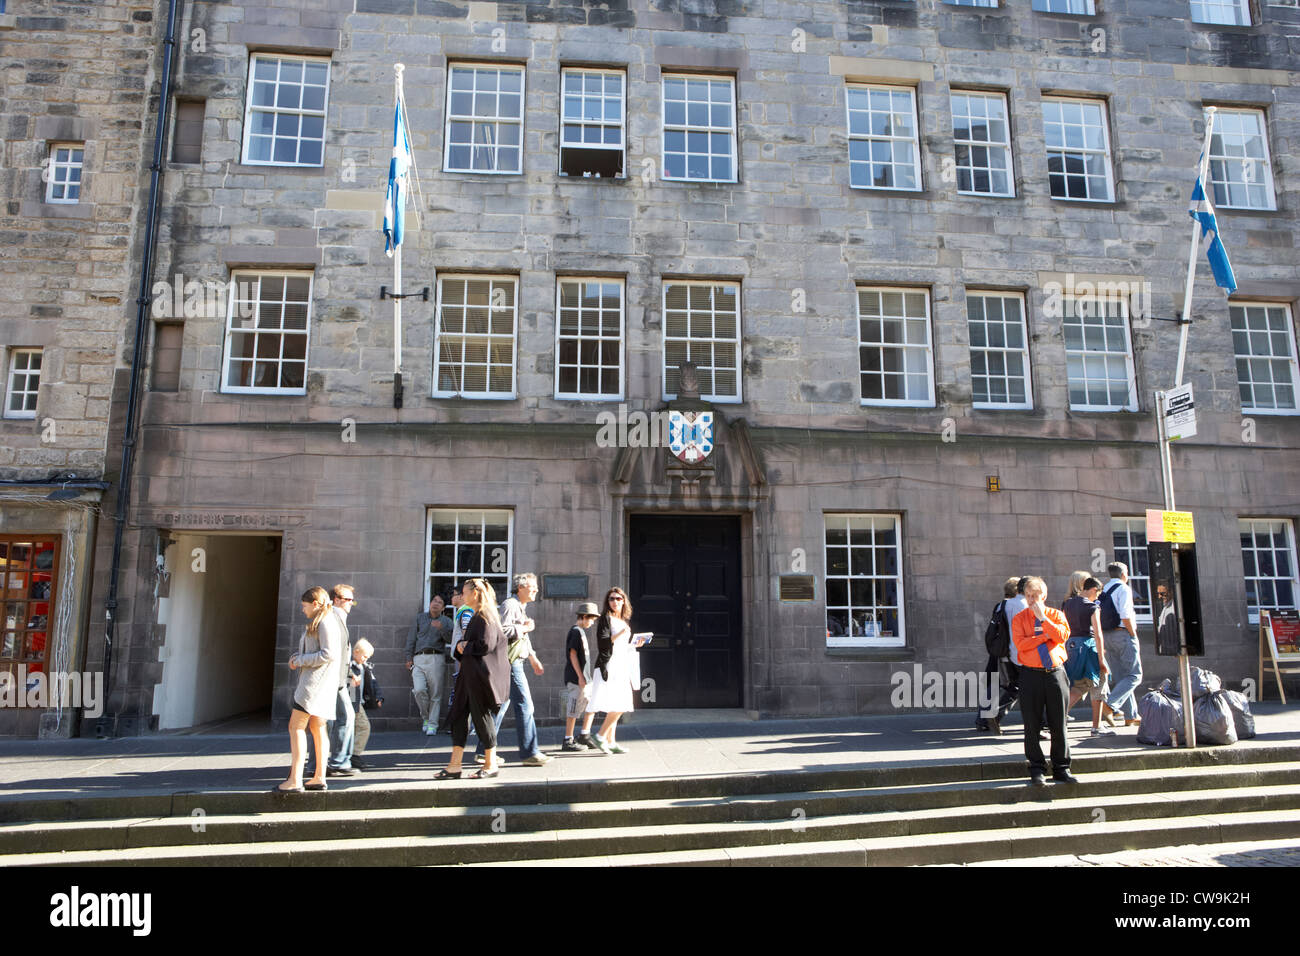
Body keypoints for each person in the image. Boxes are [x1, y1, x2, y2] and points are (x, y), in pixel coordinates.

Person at [437, 578, 510, 780]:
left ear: (475, 593)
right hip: (468, 676)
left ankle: (490, 763)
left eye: (464, 592)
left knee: (482, 718)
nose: (461, 595)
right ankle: (454, 765)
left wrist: (463, 646)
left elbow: (485, 645)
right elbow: (471, 644)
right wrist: (462, 646)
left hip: (480, 678)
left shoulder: (485, 617)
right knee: (458, 718)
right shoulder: (478, 616)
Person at [477, 573, 551, 767]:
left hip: (513, 661)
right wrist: (525, 628)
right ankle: (530, 752)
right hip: (511, 663)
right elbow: (501, 631)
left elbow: (521, 638)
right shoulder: (511, 605)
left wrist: (533, 658)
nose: (536, 590)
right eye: (532, 586)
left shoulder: (520, 607)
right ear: (520, 588)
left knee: (498, 708)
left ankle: (483, 751)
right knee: (525, 705)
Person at [1011, 576, 1076, 786]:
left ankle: (1061, 768)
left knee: (1059, 723)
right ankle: (1036, 768)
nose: (1031, 600)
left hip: (1055, 673)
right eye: (1028, 596)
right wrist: (1043, 638)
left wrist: (1044, 623)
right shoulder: (1020, 618)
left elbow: (1062, 636)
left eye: (1035, 596)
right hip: (1030, 674)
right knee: (1032, 724)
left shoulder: (1056, 615)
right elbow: (1021, 645)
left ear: (1044, 596)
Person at [278, 587, 342, 793]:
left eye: (304, 605)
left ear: (315, 604)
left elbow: (327, 654)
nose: (302, 609)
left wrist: (300, 660)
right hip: (320, 685)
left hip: (313, 685)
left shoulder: (324, 621)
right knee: (317, 728)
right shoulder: (325, 620)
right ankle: (318, 777)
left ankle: (295, 779)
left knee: (295, 727)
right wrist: (298, 656)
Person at [586, 587, 647, 754]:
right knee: (620, 703)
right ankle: (599, 736)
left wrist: (635, 644)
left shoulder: (623, 621)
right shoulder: (606, 619)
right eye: (611, 599)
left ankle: (611, 741)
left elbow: (621, 647)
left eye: (618, 598)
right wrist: (620, 633)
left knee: (616, 703)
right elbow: (603, 644)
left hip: (621, 664)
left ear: (623, 601)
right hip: (609, 665)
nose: (615, 601)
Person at [1062, 575, 1112, 736]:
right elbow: (1098, 634)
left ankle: (1058, 719)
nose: (1097, 597)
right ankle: (1096, 727)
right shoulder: (1092, 607)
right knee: (1099, 684)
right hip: (1088, 647)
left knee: (1079, 686)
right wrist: (1101, 660)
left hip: (1071, 646)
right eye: (1097, 593)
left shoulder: (1067, 604)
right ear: (1092, 589)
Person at [1102, 562, 1143, 728]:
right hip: (1123, 634)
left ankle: (1131, 716)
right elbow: (1126, 615)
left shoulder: (1104, 589)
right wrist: (1132, 634)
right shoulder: (1124, 589)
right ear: (1124, 574)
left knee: (1121, 677)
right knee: (1134, 676)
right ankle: (1110, 705)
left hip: (1107, 635)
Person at [976, 577, 1018, 734]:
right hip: (1008, 651)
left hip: (997, 650)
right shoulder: (1013, 606)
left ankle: (982, 719)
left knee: (994, 684)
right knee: (1013, 686)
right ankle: (991, 716)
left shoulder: (999, 606)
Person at [406, 595, 451, 736]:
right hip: (418, 658)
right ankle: (426, 718)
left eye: (440, 602)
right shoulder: (420, 618)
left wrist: (442, 629)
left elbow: (452, 639)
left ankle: (432, 724)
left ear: (443, 608)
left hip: (436, 658)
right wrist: (408, 657)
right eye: (434, 601)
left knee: (435, 694)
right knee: (419, 690)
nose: (436, 604)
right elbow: (411, 638)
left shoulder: (446, 621)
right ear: (430, 603)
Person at [326, 583, 358, 777]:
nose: (350, 603)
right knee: (344, 717)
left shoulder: (340, 618)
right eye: (347, 600)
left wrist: (349, 673)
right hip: (333, 680)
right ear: (336, 600)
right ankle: (338, 761)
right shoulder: (332, 618)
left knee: (345, 717)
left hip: (340, 677)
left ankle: (342, 760)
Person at [562, 603, 599, 751]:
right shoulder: (576, 631)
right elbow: (572, 654)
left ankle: (584, 735)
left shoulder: (581, 631)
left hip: (585, 678)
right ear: (584, 617)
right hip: (576, 678)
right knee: (573, 709)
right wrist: (580, 676)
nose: (592, 622)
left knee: (590, 705)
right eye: (591, 619)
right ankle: (568, 739)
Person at [349, 638, 381, 769]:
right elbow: (350, 688)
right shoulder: (350, 667)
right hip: (353, 702)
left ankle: (351, 755)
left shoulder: (364, 667)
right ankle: (354, 754)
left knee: (355, 728)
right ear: (356, 652)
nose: (365, 659)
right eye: (364, 656)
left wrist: (378, 697)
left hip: (357, 702)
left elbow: (373, 683)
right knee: (364, 727)